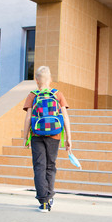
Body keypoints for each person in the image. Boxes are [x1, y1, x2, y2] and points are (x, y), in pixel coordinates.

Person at [23, 66, 72, 213]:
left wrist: (25, 137)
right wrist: (69, 137)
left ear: (36, 80)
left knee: (39, 167)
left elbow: (28, 118)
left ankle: (43, 202)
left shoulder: (32, 95)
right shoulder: (57, 94)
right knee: (50, 166)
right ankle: (49, 197)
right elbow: (65, 117)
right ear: (50, 79)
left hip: (37, 135)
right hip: (55, 135)